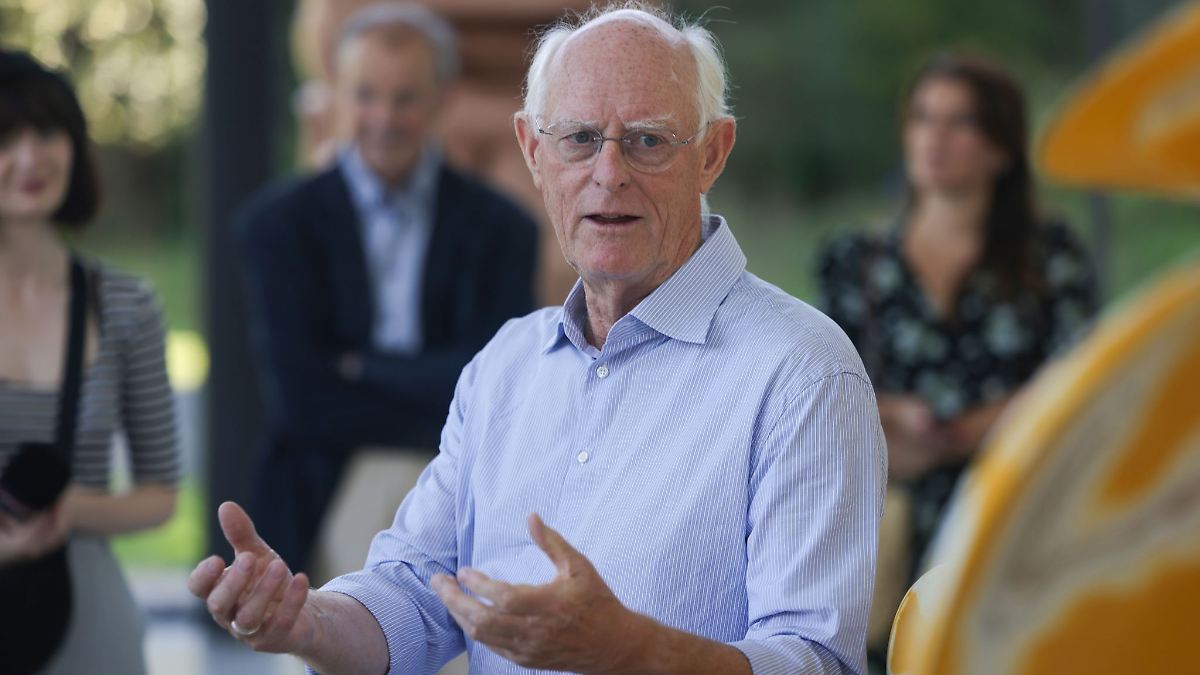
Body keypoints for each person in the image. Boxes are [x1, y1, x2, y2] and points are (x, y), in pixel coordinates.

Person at [193, 6, 885, 674]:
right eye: (578, 138)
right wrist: (308, 623)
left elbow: (815, 662)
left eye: (647, 139)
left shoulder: (803, 374)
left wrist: (633, 653)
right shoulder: (505, 366)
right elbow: (413, 591)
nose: (608, 174)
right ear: (532, 149)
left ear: (712, 153)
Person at [237, 3, 539, 574]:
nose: (384, 117)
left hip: (463, 471)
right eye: (366, 95)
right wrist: (434, 380)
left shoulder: (504, 230)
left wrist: (361, 369)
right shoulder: (278, 228)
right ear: (337, 94)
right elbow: (300, 401)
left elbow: (499, 382)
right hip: (321, 480)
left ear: (444, 98)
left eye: (406, 98)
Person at [817, 53, 1098, 664]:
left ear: (1000, 148)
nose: (935, 139)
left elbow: (1079, 383)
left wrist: (964, 432)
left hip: (1013, 518)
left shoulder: (1051, 258)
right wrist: (892, 417)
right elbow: (818, 386)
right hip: (890, 517)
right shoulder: (853, 259)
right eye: (922, 118)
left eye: (960, 122)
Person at [0, 50, 180, 674]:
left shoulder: (125, 304)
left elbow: (161, 494)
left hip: (84, 615)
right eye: (6, 136)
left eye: (47, 132)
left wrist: (68, 511)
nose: (30, 157)